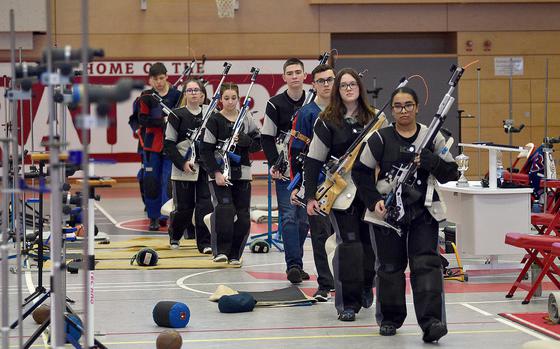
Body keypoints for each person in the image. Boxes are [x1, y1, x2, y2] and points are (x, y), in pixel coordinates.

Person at [351, 86, 459, 342]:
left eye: (408, 105)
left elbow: (452, 171)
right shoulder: (379, 138)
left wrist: (431, 161)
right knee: (389, 268)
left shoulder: (432, 137)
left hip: (424, 212)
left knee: (426, 265)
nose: (403, 110)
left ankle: (431, 322)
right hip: (388, 213)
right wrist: (373, 200)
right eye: (398, 106)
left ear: (417, 107)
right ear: (393, 109)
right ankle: (389, 318)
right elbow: (360, 172)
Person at [304, 68, 381, 321]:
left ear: (359, 87)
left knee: (370, 248)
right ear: (337, 91)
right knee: (349, 247)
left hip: (372, 193)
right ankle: (347, 304)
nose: (348, 88)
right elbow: (313, 160)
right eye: (343, 85)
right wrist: (310, 196)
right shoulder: (327, 120)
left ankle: (364, 286)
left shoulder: (376, 119)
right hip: (341, 193)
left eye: (352, 84)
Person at [200, 83, 261, 265]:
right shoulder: (214, 120)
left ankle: (236, 254)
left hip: (242, 173)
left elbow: (258, 144)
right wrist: (216, 173)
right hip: (219, 174)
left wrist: (245, 140)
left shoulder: (246, 118)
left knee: (243, 215)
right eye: (226, 98)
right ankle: (221, 251)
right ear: (220, 100)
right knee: (225, 210)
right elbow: (205, 150)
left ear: (239, 99)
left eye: (234, 98)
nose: (230, 102)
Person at [261, 58, 310, 284]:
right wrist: (275, 163)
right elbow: (267, 137)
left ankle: (296, 260)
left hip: (310, 168)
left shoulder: (314, 101)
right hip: (286, 169)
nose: (294, 76)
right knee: (289, 217)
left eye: (297, 72)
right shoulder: (275, 104)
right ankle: (294, 266)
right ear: (284, 77)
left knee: (303, 220)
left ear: (304, 75)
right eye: (289, 73)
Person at [289, 64, 336, 301]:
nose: (327, 84)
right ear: (314, 84)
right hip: (316, 184)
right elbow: (296, 150)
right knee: (320, 234)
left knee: (347, 236)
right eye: (321, 81)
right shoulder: (306, 114)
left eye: (330, 80)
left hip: (345, 186)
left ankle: (349, 281)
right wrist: (299, 185)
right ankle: (326, 284)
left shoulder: (347, 110)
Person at [164, 78, 213, 253]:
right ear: (185, 94)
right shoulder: (176, 115)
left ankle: (205, 243)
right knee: (184, 208)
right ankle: (175, 235)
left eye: (196, 90)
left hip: (204, 167)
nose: (193, 93)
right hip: (183, 168)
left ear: (202, 94)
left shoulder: (210, 114)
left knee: (205, 205)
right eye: (189, 90)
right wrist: (182, 163)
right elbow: (168, 144)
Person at [138, 62, 182, 231]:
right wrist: (161, 121)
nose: (159, 82)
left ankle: (166, 214)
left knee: (168, 182)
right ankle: (153, 217)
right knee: (152, 182)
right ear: (150, 80)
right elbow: (142, 119)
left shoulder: (177, 95)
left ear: (167, 77)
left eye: (162, 78)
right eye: (155, 79)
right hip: (151, 145)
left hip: (172, 144)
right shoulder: (146, 96)